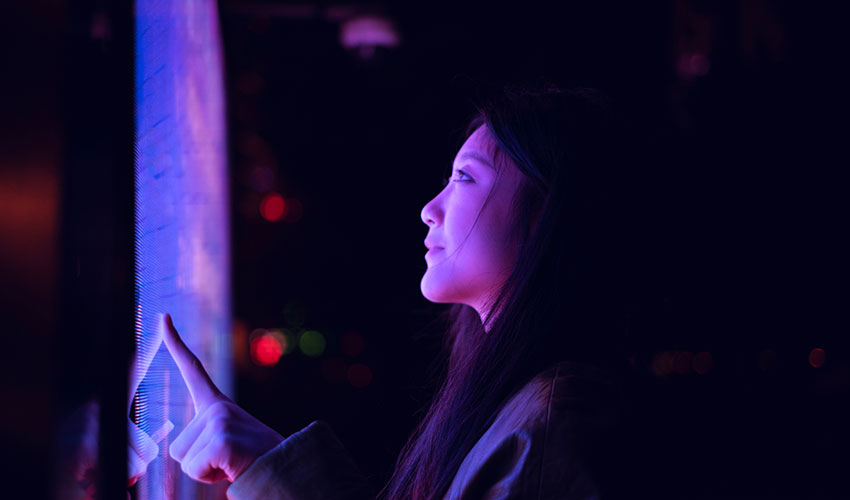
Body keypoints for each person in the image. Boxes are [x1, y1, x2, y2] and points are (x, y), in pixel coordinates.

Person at [161, 85, 636, 500]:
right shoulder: (531, 409)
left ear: (544, 214)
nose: (430, 209)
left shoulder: (556, 422)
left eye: (465, 177)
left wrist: (271, 465)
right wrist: (269, 461)